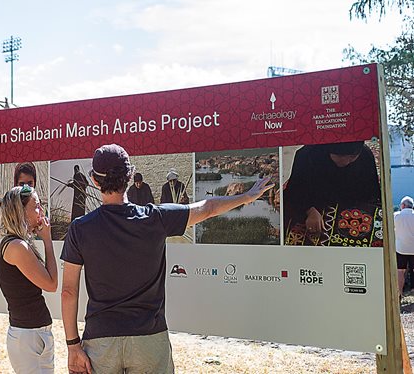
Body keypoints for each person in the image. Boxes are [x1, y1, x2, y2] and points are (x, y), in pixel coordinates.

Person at [61, 144, 273, 373]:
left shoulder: (79, 229)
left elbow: (68, 292)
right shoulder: (156, 218)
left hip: (100, 341)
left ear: (94, 180)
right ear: (130, 176)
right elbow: (208, 207)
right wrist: (247, 197)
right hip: (150, 341)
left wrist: (73, 346)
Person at [0, 185, 57, 373]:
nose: (41, 211)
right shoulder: (17, 246)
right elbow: (51, 284)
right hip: (30, 336)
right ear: (20, 211)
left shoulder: (15, 243)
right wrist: (47, 240)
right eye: (36, 206)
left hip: (30, 334)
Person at [283, 141, 381, 247]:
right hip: (316, 207)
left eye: (352, 157)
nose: (347, 161)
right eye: (340, 156)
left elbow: (372, 194)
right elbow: (294, 192)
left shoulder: (364, 155)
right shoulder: (307, 155)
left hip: (353, 213)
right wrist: (310, 210)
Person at [395, 196, 414, 297]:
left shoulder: (396, 216)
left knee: (400, 271)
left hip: (400, 248)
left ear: (402, 205)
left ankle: (400, 293)